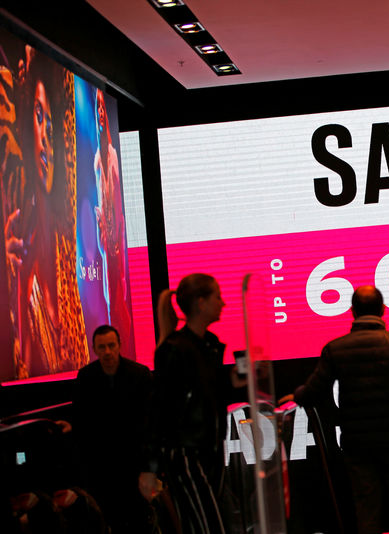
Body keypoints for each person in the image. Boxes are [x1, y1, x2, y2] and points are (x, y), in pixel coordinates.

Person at [286, 285, 389, 534]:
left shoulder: (336, 349)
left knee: (367, 509)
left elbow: (315, 390)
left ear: (352, 312)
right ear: (383, 309)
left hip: (357, 444)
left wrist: (297, 395)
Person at [1, 44, 88, 380]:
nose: (45, 137)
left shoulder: (67, 258)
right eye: (37, 116)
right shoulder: (18, 243)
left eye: (51, 124)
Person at [139, 273, 243, 534]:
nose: (223, 303)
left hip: (210, 449)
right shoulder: (175, 349)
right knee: (210, 526)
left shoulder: (208, 346)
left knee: (200, 525)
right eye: (217, 296)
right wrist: (150, 468)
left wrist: (237, 380)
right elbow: (158, 409)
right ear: (200, 302)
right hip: (186, 453)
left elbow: (210, 395)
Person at [72, 324, 152, 533]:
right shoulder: (86, 378)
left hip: (132, 464)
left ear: (119, 345)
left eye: (111, 346)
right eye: (102, 347)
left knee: (138, 521)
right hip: (101, 467)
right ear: (94, 349)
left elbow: (149, 422)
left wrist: (148, 466)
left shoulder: (139, 375)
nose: (107, 352)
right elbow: (81, 421)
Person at [93, 88, 131, 348]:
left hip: (115, 239)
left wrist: (115, 237)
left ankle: (125, 343)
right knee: (111, 297)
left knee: (120, 295)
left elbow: (117, 206)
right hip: (106, 241)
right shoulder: (98, 159)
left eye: (102, 107)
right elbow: (102, 200)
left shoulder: (112, 156)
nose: (100, 112)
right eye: (97, 108)